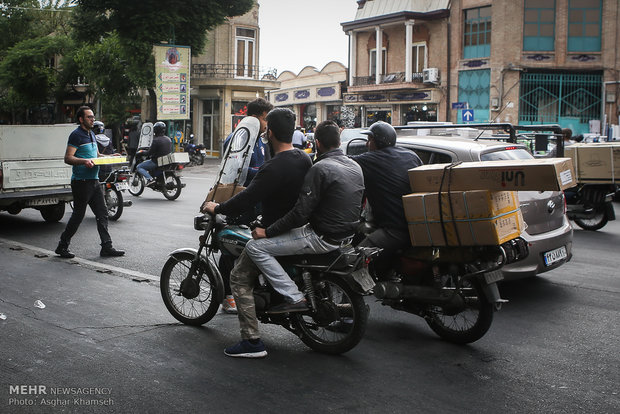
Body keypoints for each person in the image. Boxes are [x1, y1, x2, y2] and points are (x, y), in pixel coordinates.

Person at [202, 108, 312, 358]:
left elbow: (248, 198)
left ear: (269, 132)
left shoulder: (272, 167)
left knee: (239, 277)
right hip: (297, 228)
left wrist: (217, 206)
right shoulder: (303, 159)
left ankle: (252, 341)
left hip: (275, 233)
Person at [244, 120, 364, 319]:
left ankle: (294, 297)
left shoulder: (321, 168)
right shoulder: (354, 165)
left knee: (254, 247)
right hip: (347, 236)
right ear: (338, 140)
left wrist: (267, 232)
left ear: (317, 143)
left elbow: (300, 213)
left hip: (321, 237)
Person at [352, 121, 422, 276]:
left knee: (354, 260)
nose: (367, 144)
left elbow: (342, 162)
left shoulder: (369, 159)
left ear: (375, 142)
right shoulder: (411, 155)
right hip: (419, 225)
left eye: (369, 140)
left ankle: (355, 299)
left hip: (395, 229)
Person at [55, 106, 125, 259]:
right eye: (89, 117)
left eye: (93, 117)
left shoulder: (91, 134)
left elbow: (96, 154)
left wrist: (110, 156)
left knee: (102, 213)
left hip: (94, 181)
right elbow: (68, 158)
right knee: (78, 215)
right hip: (81, 182)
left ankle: (106, 246)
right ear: (81, 119)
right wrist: (84, 161)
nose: (93, 119)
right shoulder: (76, 135)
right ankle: (62, 246)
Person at [223, 98, 274, 186]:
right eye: (265, 119)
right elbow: (234, 168)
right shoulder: (238, 139)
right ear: (254, 118)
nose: (268, 124)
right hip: (238, 194)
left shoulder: (261, 139)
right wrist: (264, 173)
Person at [136, 121, 173, 186]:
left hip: (156, 162)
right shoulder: (168, 139)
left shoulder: (156, 140)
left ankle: (150, 179)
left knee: (139, 167)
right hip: (166, 161)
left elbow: (149, 153)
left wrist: (141, 152)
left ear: (155, 130)